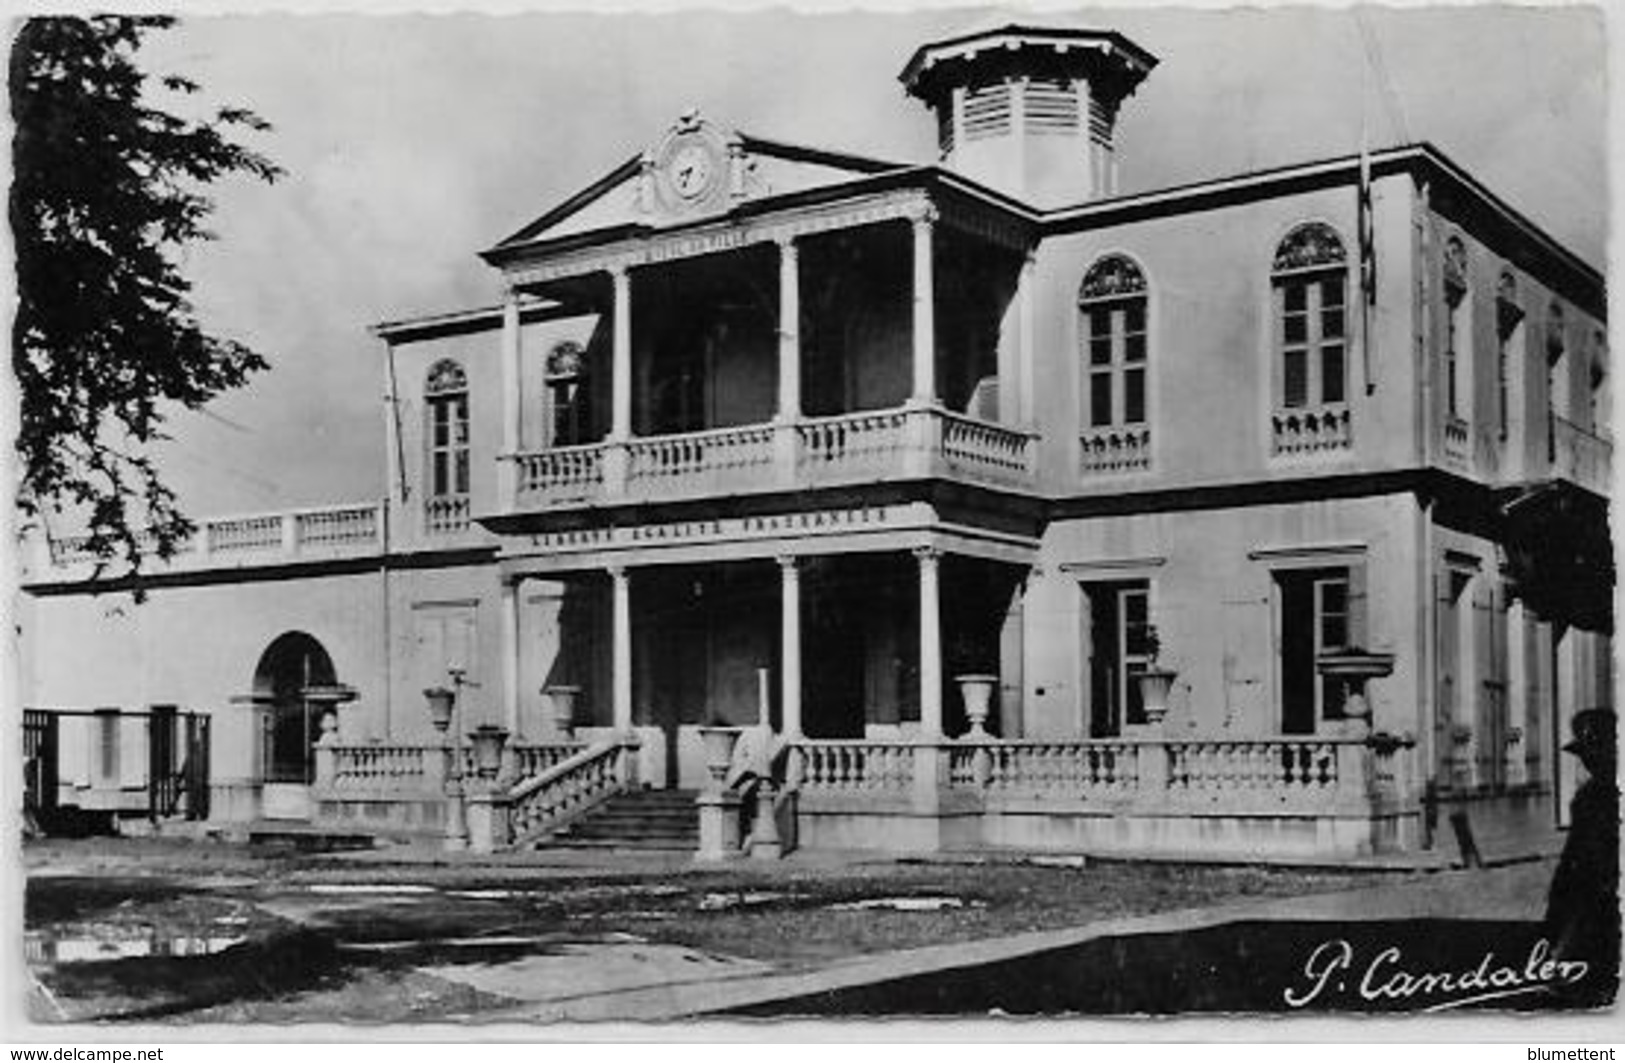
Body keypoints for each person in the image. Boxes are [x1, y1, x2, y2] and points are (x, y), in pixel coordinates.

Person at [1543, 707, 1619, 1005]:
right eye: (1586, 755)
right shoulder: (1589, 795)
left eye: (1594, 752)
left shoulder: (1598, 794)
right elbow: (1576, 850)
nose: (1588, 761)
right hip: (1592, 885)